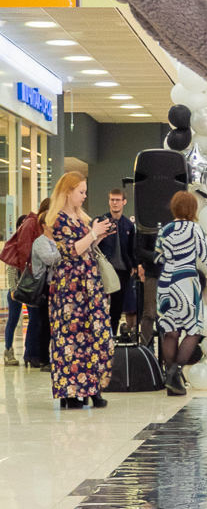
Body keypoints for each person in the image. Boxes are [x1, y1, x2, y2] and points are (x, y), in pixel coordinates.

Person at [47, 173, 114, 409]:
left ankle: (93, 388)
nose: (84, 196)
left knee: (96, 334)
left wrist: (98, 236)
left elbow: (86, 248)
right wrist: (93, 234)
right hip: (69, 286)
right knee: (70, 337)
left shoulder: (82, 218)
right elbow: (71, 250)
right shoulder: (57, 219)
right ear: (68, 192)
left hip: (90, 283)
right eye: (81, 192)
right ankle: (71, 391)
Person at [155, 191, 207, 396]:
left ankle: (170, 379)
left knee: (171, 331)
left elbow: (158, 257)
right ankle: (175, 373)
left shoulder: (164, 230)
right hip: (186, 283)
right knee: (194, 329)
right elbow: (205, 257)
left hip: (165, 283)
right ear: (192, 209)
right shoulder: (194, 228)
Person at [101, 189, 137, 338]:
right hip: (103, 270)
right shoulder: (101, 221)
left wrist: (133, 266)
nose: (115, 203)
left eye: (118, 200)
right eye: (112, 200)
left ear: (124, 202)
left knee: (116, 309)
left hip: (122, 270)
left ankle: (112, 338)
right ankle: (101, 338)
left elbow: (131, 248)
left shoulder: (128, 225)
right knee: (100, 307)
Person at [24, 198, 54, 370]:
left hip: (51, 286)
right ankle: (42, 358)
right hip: (43, 287)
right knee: (42, 323)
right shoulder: (41, 242)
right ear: (44, 224)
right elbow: (50, 259)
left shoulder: (53, 241)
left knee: (45, 322)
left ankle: (42, 356)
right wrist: (67, 251)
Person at [2, 214, 29, 366]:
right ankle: (8, 350)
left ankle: (31, 352)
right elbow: (11, 269)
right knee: (12, 319)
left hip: (29, 289)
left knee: (33, 320)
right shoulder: (15, 244)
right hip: (16, 289)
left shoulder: (30, 242)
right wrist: (13, 289)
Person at [135, 229, 160, 351]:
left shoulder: (173, 223)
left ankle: (167, 353)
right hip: (153, 274)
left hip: (173, 275)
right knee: (150, 313)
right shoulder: (146, 225)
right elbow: (139, 251)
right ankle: (147, 351)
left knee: (169, 316)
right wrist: (158, 257)